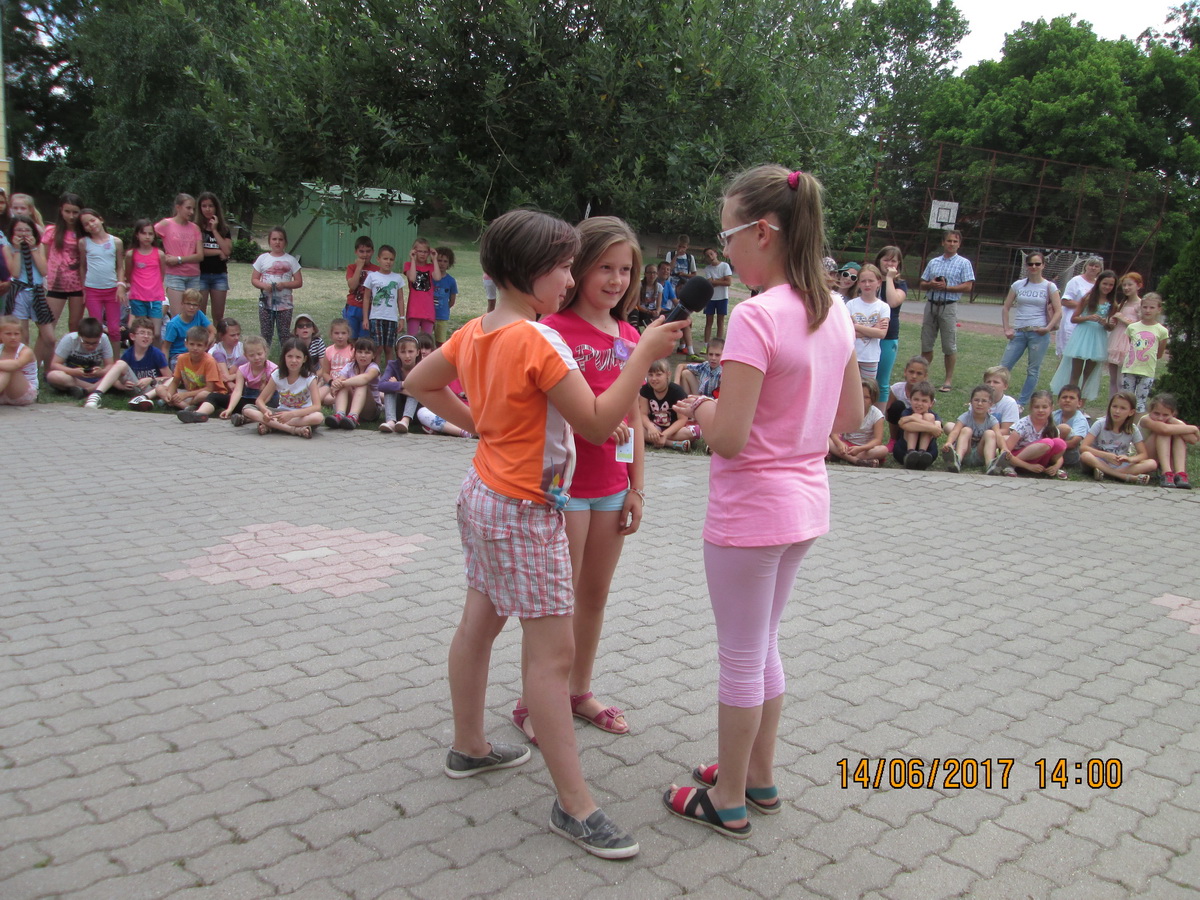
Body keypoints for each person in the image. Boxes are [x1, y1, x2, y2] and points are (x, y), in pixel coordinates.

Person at [404, 208, 686, 860]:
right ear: (531, 273)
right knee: (551, 661)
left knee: (478, 623)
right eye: (563, 267)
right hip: (526, 513)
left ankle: (469, 747)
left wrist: (481, 428)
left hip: (483, 495)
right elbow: (598, 423)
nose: (571, 277)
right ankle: (575, 806)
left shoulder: (478, 330)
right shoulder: (540, 341)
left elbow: (420, 382)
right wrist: (644, 355)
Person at [662, 166, 859, 842]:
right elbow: (850, 416)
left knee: (742, 656)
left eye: (727, 235)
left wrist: (700, 407)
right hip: (804, 507)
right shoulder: (833, 309)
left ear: (764, 232)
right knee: (763, 642)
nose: (723, 252)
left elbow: (731, 437)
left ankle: (728, 799)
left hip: (750, 512)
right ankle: (759, 775)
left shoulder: (755, 315)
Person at [512, 215, 648, 746]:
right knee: (553, 604)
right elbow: (545, 411)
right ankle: (532, 701)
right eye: (604, 268)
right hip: (560, 487)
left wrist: (636, 485)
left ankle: (577, 691)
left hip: (612, 487)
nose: (616, 280)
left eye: (625, 270)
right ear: (580, 268)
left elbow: (634, 416)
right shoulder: (552, 330)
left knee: (593, 597)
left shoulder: (630, 336)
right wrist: (591, 419)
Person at [999, 253, 1061, 408]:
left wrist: (1047, 328)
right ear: (1026, 266)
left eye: (1037, 264)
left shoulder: (1049, 286)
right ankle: (996, 398)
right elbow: (1006, 307)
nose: (1034, 267)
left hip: (1038, 332)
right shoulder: (1018, 285)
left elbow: (1059, 311)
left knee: (1033, 370)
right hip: (1019, 331)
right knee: (1003, 367)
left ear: (1043, 265)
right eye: (1031, 264)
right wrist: (1007, 328)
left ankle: (1021, 402)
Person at [919, 230, 974, 392]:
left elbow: (968, 286)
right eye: (949, 241)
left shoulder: (964, 263)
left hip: (949, 305)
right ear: (943, 242)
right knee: (926, 343)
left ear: (959, 244)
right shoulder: (934, 262)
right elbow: (922, 283)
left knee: (949, 345)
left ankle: (948, 380)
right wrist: (931, 285)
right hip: (931, 304)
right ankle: (923, 377)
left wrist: (947, 287)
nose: (951, 244)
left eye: (955, 241)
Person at [1049, 269, 1116, 402]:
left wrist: (1105, 323)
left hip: (1098, 337)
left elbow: (1112, 326)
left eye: (1111, 285)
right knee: (1076, 372)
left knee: (1088, 374)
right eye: (1105, 283)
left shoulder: (1112, 303)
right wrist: (1088, 317)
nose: (1107, 287)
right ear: (1099, 283)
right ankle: (1071, 399)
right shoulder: (1087, 298)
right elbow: (1074, 318)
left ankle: (1081, 402)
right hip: (1082, 336)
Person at [83, 317, 170, 410]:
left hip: (153, 389)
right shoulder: (128, 354)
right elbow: (115, 377)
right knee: (120, 363)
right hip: (135, 387)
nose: (146, 336)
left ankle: (144, 399)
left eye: (149, 334)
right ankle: (96, 395)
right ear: (132, 336)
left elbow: (169, 377)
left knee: (171, 379)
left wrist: (151, 380)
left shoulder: (156, 354)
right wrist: (121, 386)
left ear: (152, 338)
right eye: (142, 333)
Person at [242, 338, 323, 438]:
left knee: (318, 417)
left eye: (298, 357)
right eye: (289, 356)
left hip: (301, 415)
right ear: (284, 357)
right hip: (280, 412)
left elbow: (316, 406)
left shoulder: (310, 377)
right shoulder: (277, 375)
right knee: (247, 409)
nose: (293, 360)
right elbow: (260, 400)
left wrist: (292, 415)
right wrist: (265, 411)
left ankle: (273, 425)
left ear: (304, 359)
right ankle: (293, 430)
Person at [1079, 390, 1155, 485]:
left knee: (1152, 463)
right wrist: (1105, 455)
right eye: (1114, 406)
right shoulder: (1100, 424)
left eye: (1123, 408)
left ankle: (1106, 473)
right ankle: (1123, 477)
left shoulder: (1133, 429)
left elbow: (1143, 455)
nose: (1117, 411)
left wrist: (1130, 459)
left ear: (1131, 412)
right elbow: (1083, 447)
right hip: (1099, 460)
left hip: (1119, 464)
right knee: (1085, 455)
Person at [78, 209, 126, 350]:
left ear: (101, 219)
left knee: (114, 329)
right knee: (96, 328)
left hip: (112, 290)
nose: (91, 225)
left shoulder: (116, 242)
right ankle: (97, 357)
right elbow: (82, 267)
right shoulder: (84, 243)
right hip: (93, 290)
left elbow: (120, 267)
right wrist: (84, 289)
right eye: (86, 224)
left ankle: (115, 360)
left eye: (93, 220)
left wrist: (121, 285)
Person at [41, 193, 86, 341]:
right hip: (56, 284)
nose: (71, 216)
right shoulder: (51, 231)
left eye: (75, 212)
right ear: (61, 210)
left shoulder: (85, 233)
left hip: (78, 285)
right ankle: (44, 354)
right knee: (48, 324)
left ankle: (72, 353)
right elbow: (45, 257)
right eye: (67, 211)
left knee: (75, 325)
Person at [2, 214, 50, 353]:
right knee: (23, 337)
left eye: (27, 230)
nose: (23, 233)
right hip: (19, 292)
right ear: (13, 232)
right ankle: (25, 364)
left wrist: (33, 248)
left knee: (49, 338)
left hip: (37, 291)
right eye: (19, 230)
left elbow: (43, 271)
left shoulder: (39, 246)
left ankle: (38, 361)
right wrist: (17, 250)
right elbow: (15, 273)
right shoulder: (8, 248)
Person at [252, 227, 302, 349]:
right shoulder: (263, 258)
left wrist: (284, 284)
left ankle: (286, 356)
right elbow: (254, 279)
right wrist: (264, 286)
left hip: (285, 305)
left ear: (285, 242)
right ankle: (264, 356)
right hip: (266, 303)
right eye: (274, 239)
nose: (277, 242)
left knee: (284, 334)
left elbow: (299, 282)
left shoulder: (291, 260)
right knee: (265, 334)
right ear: (269, 241)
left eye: (281, 239)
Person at [999, 389, 1068, 478]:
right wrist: (1029, 466)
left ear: (1051, 408)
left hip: (1040, 463)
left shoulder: (1053, 429)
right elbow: (1006, 454)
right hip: (1016, 460)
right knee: (1048, 442)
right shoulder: (1022, 425)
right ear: (1031, 408)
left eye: (1044, 407)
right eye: (1036, 407)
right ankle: (1010, 466)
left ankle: (1049, 469)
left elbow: (1059, 455)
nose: (1040, 410)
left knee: (1060, 443)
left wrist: (1056, 466)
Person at [160, 326, 222, 421]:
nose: (195, 348)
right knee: (160, 389)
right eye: (192, 344)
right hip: (190, 393)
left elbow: (209, 388)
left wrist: (185, 395)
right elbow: (175, 381)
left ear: (206, 346)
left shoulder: (209, 361)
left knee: (203, 394)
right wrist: (170, 394)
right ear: (186, 344)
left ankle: (182, 405)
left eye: (199, 345)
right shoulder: (182, 358)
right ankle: (187, 407)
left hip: (207, 395)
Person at [155, 193, 203, 317]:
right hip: (174, 275)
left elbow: (199, 255)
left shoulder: (195, 228)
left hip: (193, 275)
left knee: (192, 314)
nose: (191, 212)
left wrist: (179, 259)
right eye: (188, 208)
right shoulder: (166, 224)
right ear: (178, 207)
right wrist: (161, 254)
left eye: (193, 209)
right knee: (178, 315)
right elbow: (147, 237)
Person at [1119, 292, 1168, 413]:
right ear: (1140, 307)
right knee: (1126, 400)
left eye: (1152, 307)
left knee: (1140, 402)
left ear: (1159, 309)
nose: (1148, 310)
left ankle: (1137, 423)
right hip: (1130, 369)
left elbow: (1159, 353)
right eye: (1145, 307)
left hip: (1147, 371)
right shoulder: (1132, 327)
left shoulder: (1162, 331)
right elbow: (1132, 345)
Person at [45, 317, 114, 398]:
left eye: (95, 343)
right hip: (72, 377)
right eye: (86, 343)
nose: (91, 346)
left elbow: (110, 365)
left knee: (118, 371)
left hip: (95, 377)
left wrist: (101, 372)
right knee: (53, 376)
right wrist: (73, 372)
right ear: (79, 336)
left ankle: (86, 390)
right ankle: (98, 387)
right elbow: (54, 364)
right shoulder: (70, 339)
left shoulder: (104, 338)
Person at [873, 246, 907, 408]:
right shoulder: (871, 280)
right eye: (886, 260)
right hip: (867, 333)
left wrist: (889, 279)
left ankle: (879, 415)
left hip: (888, 336)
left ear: (898, 264)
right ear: (879, 261)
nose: (889, 264)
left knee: (882, 380)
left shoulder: (900, 284)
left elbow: (893, 302)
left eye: (893, 261)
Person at [1140, 393, 1198, 489]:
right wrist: (1194, 429)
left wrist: (1173, 421)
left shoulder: (1174, 421)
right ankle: (1166, 473)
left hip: (1167, 458)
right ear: (1150, 411)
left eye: (1165, 415)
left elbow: (1192, 440)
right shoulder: (1145, 420)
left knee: (1178, 434)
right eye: (1156, 413)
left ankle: (1180, 474)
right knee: (1162, 433)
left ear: (1173, 414)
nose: (1160, 418)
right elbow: (1164, 429)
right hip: (1148, 458)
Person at [942, 384, 1002, 473]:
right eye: (976, 400)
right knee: (966, 430)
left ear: (990, 404)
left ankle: (990, 464)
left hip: (981, 455)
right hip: (966, 452)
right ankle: (957, 460)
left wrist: (1004, 448)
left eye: (984, 401)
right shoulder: (965, 417)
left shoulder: (992, 420)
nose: (979, 403)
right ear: (971, 402)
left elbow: (999, 436)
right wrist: (949, 442)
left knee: (990, 433)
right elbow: (955, 431)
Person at [219, 335, 278, 426]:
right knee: (217, 397)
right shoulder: (242, 369)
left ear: (265, 352)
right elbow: (237, 391)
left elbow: (269, 396)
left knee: (259, 407)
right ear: (245, 356)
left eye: (259, 354)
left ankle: (247, 418)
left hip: (267, 401)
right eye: (251, 355)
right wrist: (230, 409)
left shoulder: (273, 369)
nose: (256, 358)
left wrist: (258, 406)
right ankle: (248, 415)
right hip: (250, 399)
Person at [828, 378, 888, 467]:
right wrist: (839, 443)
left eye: (866, 397)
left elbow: (877, 440)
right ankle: (856, 460)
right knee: (827, 440)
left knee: (883, 450)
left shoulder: (877, 415)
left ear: (873, 399)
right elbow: (835, 432)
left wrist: (861, 448)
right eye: (859, 395)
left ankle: (842, 456)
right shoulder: (848, 410)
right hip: (846, 445)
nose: (862, 400)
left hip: (865, 449)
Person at [124, 219, 168, 340]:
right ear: (137, 235)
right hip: (138, 297)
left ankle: (156, 352)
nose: (147, 237)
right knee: (142, 332)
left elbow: (161, 274)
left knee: (156, 333)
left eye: (150, 234)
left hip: (155, 297)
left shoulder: (159, 254)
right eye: (143, 233)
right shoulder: (131, 254)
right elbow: (128, 274)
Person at [324, 337, 381, 430]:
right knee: (343, 385)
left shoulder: (374, 368)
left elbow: (365, 378)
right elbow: (340, 380)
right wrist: (336, 384)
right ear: (355, 353)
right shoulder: (349, 366)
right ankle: (340, 414)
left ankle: (353, 417)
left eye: (367, 353)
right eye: (360, 352)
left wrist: (342, 383)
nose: (363, 355)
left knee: (361, 384)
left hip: (370, 410)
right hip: (350, 406)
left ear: (373, 355)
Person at [845, 263, 890, 380]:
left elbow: (881, 333)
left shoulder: (883, 307)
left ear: (879, 282)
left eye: (871, 281)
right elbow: (847, 333)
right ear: (858, 283)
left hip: (871, 357)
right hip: (852, 356)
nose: (867, 284)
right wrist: (873, 329)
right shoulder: (850, 305)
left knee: (868, 388)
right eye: (863, 281)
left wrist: (856, 326)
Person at [363, 245, 405, 364]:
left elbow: (400, 299)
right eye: (385, 259)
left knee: (389, 348)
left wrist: (402, 318)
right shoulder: (372, 276)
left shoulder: (397, 278)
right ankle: (375, 372)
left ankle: (389, 372)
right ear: (378, 259)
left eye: (391, 259)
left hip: (391, 318)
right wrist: (365, 318)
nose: (388, 262)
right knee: (378, 347)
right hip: (376, 317)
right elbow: (366, 298)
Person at [196, 192, 233, 322]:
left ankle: (218, 335)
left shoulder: (224, 229)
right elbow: (198, 251)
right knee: (200, 313)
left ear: (216, 207)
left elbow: (227, 250)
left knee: (218, 315)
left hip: (219, 275)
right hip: (201, 274)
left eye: (211, 206)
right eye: (204, 206)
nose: (207, 209)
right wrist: (218, 252)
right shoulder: (196, 228)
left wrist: (214, 230)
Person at [1106, 273, 1142, 400]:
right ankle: (1112, 404)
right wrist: (1113, 321)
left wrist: (1123, 319)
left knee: (1122, 380)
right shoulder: (1123, 303)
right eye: (1124, 285)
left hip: (1127, 342)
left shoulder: (1140, 304)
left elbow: (1141, 325)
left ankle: (1123, 404)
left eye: (1130, 285)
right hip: (1116, 340)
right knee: (1113, 379)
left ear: (1138, 286)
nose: (1126, 288)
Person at [1057, 256, 1103, 357]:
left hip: (1089, 322)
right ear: (1086, 266)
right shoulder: (1076, 281)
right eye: (1091, 265)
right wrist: (1084, 305)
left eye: (1096, 266)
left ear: (1100, 269)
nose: (1093, 268)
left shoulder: (1099, 284)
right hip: (1072, 320)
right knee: (1068, 352)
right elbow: (1065, 301)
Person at [639, 358, 688, 449]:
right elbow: (643, 414)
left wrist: (665, 434)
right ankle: (671, 444)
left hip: (673, 429)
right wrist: (650, 427)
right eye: (650, 375)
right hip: (654, 427)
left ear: (668, 375)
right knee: (635, 429)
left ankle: (658, 439)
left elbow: (682, 419)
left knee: (693, 432)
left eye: (658, 374)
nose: (654, 379)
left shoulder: (677, 391)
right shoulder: (645, 390)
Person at [376, 334, 421, 434]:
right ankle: (391, 421)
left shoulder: (421, 366)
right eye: (403, 352)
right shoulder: (393, 365)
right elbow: (381, 385)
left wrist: (396, 385)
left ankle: (406, 420)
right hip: (398, 408)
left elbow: (420, 392)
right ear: (398, 353)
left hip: (418, 410)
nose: (407, 356)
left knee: (414, 389)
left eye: (410, 351)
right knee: (389, 389)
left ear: (417, 352)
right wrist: (402, 384)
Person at [161, 289, 215, 367]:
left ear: (199, 307)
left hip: (197, 351)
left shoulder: (198, 314)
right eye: (188, 304)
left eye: (195, 305)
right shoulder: (174, 324)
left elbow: (213, 331)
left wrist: (205, 345)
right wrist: (165, 367)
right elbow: (166, 347)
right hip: (178, 355)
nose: (191, 307)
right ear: (182, 304)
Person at [895, 382, 941, 469]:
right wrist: (930, 427)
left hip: (929, 453)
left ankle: (922, 453)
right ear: (910, 399)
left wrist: (915, 421)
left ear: (931, 403)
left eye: (924, 401)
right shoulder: (907, 412)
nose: (919, 403)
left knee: (929, 417)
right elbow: (905, 426)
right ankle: (910, 453)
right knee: (916, 416)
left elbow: (938, 431)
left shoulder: (934, 416)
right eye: (916, 399)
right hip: (903, 451)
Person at [885, 356, 930, 444]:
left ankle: (920, 445)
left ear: (925, 376)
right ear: (905, 372)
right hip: (899, 424)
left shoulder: (927, 393)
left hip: (917, 426)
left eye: (919, 373)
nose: (914, 376)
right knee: (897, 406)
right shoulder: (896, 389)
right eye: (911, 372)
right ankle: (893, 440)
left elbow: (928, 416)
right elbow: (888, 413)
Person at [403, 238, 442, 336]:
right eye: (419, 251)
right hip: (414, 310)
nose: (422, 254)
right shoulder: (408, 265)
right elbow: (412, 278)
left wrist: (434, 260)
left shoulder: (431, 267)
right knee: (412, 339)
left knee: (426, 339)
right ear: (414, 251)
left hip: (428, 310)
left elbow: (437, 277)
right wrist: (412, 260)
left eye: (425, 252)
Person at [0, 315, 39, 407]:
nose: (13, 337)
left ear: (21, 335)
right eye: (8, 334)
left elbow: (17, 364)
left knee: (9, 368)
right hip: (3, 392)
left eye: (16, 334)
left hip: (23, 393)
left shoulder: (26, 351)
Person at [344, 235, 378, 340]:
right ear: (356, 252)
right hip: (353, 306)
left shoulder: (377, 270)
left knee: (365, 340)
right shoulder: (352, 267)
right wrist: (359, 267)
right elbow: (352, 286)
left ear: (373, 252)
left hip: (369, 308)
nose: (365, 255)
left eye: (368, 251)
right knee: (351, 338)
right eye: (361, 251)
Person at [319, 318, 356, 406]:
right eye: (336, 333)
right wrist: (332, 382)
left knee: (328, 399)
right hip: (332, 383)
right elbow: (325, 373)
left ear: (348, 334)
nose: (340, 336)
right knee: (318, 397)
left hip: (348, 384)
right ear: (331, 334)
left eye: (343, 333)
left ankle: (343, 401)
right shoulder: (328, 350)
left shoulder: (353, 350)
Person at [701, 247, 733, 345]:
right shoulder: (707, 269)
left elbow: (728, 282)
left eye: (711, 254)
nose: (710, 257)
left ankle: (719, 345)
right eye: (707, 256)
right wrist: (722, 279)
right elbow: (710, 283)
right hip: (710, 298)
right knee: (709, 321)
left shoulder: (725, 266)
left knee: (720, 321)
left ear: (716, 254)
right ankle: (706, 344)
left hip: (722, 297)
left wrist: (715, 281)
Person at [1052, 384, 1089, 468]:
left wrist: (1051, 446)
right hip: (1058, 449)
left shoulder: (1080, 419)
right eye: (1064, 397)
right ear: (1058, 401)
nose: (1067, 400)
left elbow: (1073, 443)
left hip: (1073, 455)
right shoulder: (1054, 415)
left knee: (1064, 428)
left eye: (1072, 398)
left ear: (1079, 403)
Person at [982, 365, 1020, 436]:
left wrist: (983, 433)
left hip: (998, 438)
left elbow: (1007, 431)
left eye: (996, 382)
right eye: (988, 382)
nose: (991, 385)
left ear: (1005, 386)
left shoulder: (1009, 403)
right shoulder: (978, 400)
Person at [433, 247, 459, 346]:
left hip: (442, 316)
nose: (442, 264)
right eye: (439, 260)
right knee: (426, 340)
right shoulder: (430, 278)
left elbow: (452, 301)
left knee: (440, 341)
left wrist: (444, 308)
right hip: (429, 315)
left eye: (445, 261)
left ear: (449, 263)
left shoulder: (451, 281)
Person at [632, 263, 662, 330]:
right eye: (649, 272)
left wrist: (657, 311)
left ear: (657, 274)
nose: (652, 275)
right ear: (645, 274)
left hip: (653, 310)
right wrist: (649, 312)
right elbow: (638, 305)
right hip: (642, 311)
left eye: (654, 273)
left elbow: (659, 306)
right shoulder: (639, 285)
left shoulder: (659, 287)